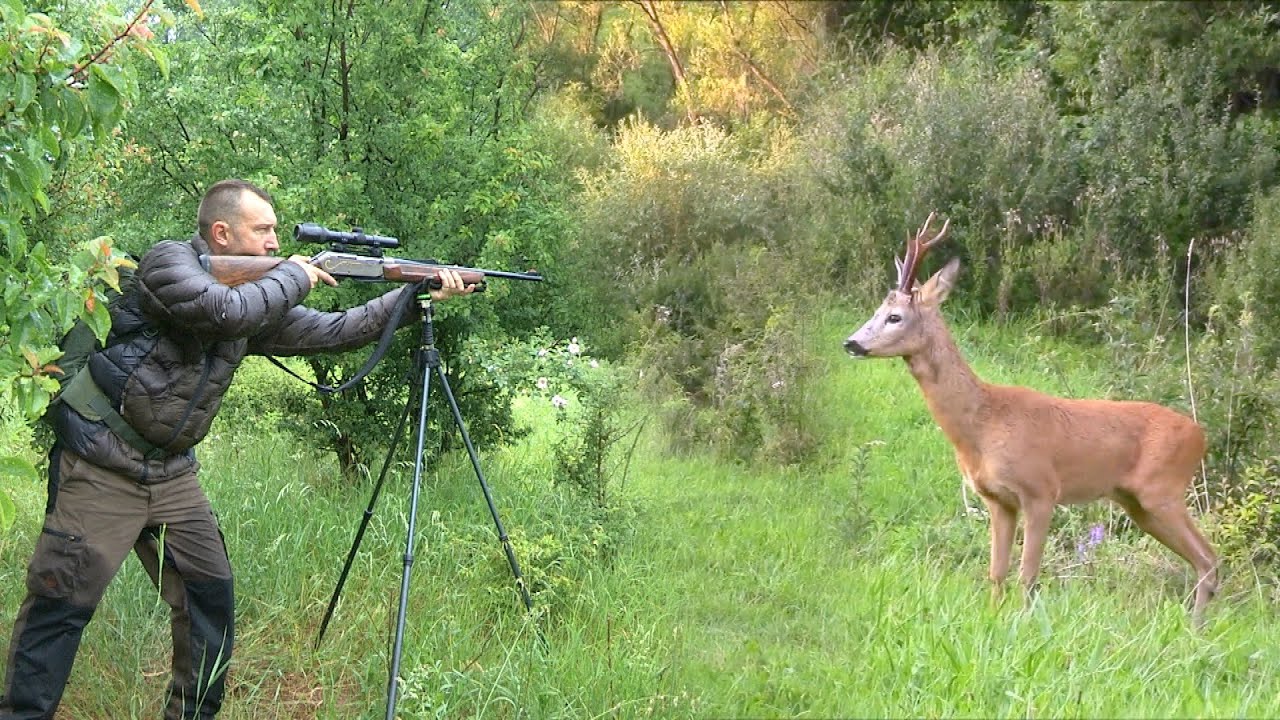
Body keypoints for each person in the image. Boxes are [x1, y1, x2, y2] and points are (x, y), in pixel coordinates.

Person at [0, 179, 474, 719]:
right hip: (103, 464)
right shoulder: (166, 264)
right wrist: (297, 274)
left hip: (172, 474)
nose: (274, 242)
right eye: (264, 230)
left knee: (210, 602)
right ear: (221, 233)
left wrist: (412, 296)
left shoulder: (258, 295)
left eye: (276, 232)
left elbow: (335, 330)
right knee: (60, 607)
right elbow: (226, 312)